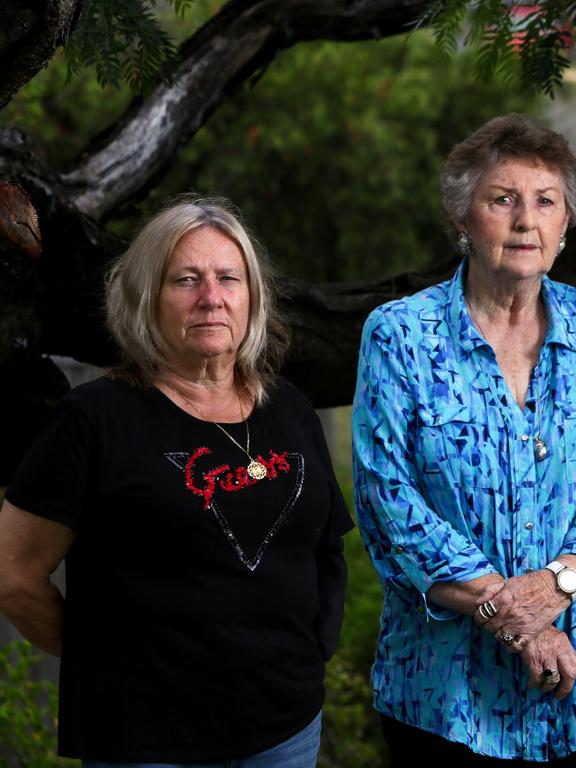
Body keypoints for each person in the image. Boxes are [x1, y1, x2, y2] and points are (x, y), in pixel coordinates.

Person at [352, 114, 576, 765]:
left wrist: (556, 587)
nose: (526, 220)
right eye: (503, 200)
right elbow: (390, 503)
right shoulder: (400, 336)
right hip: (446, 685)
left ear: (565, 223)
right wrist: (519, 620)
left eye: (546, 201)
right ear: (462, 219)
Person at [0, 198, 352, 766]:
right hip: (148, 740)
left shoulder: (288, 408)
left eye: (228, 279)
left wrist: (315, 650)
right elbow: (13, 575)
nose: (211, 298)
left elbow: (326, 544)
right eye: (186, 280)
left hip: (285, 730)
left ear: (251, 297)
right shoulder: (93, 419)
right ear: (146, 299)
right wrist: (104, 660)